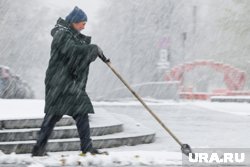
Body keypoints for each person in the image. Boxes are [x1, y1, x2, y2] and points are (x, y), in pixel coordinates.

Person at [31, 6, 109, 156]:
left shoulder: (70, 35)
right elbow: (72, 52)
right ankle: (40, 148)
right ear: (74, 21)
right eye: (82, 23)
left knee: (76, 112)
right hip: (60, 83)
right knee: (56, 114)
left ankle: (41, 148)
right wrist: (93, 49)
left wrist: (96, 52)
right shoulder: (62, 35)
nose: (84, 26)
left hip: (66, 83)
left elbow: (79, 52)